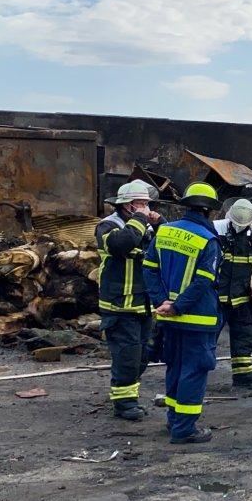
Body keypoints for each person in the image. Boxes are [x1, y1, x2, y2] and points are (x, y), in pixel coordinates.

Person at [142, 182, 223, 444]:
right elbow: (203, 282)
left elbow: (149, 269)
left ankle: (173, 419)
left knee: (175, 367)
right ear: (209, 210)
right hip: (197, 320)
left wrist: (162, 302)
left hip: (168, 318)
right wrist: (178, 306)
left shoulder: (164, 232)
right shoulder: (208, 241)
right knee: (195, 369)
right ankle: (185, 428)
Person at [96, 180, 164, 421]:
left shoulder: (143, 226)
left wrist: (159, 224)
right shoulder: (107, 226)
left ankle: (128, 397)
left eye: (147, 203)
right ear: (126, 205)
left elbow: (163, 247)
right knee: (127, 356)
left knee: (142, 356)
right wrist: (141, 220)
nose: (145, 207)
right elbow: (121, 245)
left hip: (143, 305)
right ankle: (124, 404)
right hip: (119, 306)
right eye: (140, 204)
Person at [212, 199, 252, 389]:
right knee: (208, 336)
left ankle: (243, 375)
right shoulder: (216, 230)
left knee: (244, 335)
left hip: (242, 296)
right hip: (217, 295)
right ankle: (194, 372)